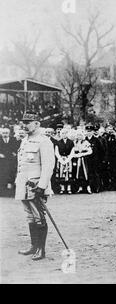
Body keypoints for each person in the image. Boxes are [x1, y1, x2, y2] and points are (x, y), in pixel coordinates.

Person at [15, 111, 55, 261]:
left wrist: (42, 186)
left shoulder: (44, 141)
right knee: (30, 217)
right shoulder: (25, 140)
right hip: (24, 185)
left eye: (27, 122)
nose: (24, 125)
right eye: (23, 122)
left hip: (36, 186)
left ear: (37, 124)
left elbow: (48, 166)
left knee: (39, 217)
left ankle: (41, 249)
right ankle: (33, 246)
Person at [54, 128, 75, 194]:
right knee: (61, 173)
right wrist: (61, 160)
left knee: (68, 173)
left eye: (65, 133)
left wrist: (67, 159)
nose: (64, 135)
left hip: (68, 159)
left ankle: (69, 188)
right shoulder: (58, 142)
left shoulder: (71, 142)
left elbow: (72, 152)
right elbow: (56, 152)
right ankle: (62, 188)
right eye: (62, 133)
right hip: (61, 159)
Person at [0, 127, 20, 196]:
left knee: (11, 174)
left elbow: (16, 148)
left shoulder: (13, 140)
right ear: (1, 133)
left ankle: (11, 192)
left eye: (6, 133)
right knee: (2, 175)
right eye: (3, 133)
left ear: (9, 133)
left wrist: (14, 153)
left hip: (11, 160)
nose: (5, 134)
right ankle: (2, 191)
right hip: (2, 161)